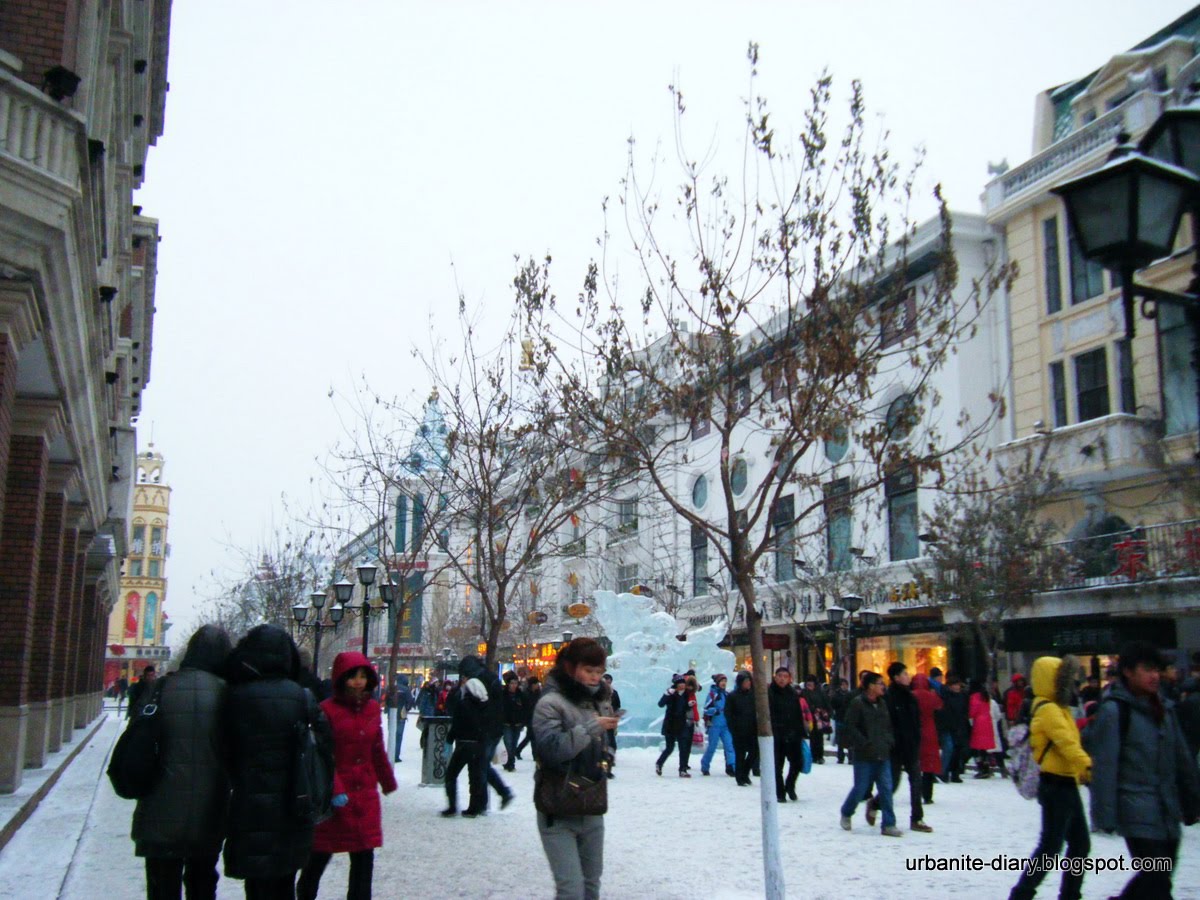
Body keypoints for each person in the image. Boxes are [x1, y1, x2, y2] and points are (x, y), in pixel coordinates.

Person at [223, 624, 333, 900]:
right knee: (285, 881)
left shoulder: (236, 696)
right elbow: (326, 743)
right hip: (293, 802)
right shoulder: (301, 696)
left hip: (249, 804)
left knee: (256, 883)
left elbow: (223, 748)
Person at [1087, 641, 1200, 900]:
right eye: (1147, 669)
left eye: (1157, 670)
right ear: (1128, 671)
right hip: (1135, 810)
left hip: (1166, 810)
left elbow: (1182, 759)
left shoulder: (1165, 709)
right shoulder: (1115, 710)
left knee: (1156, 878)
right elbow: (1105, 767)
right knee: (1157, 879)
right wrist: (1104, 816)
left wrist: (1192, 800)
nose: (1155, 676)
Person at [132, 625, 232, 900]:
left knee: (162, 885)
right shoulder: (227, 693)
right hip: (209, 813)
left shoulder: (162, 689)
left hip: (159, 810)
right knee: (202, 883)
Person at [296, 652, 397, 900]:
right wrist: (335, 788)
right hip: (334, 797)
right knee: (319, 856)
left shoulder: (372, 708)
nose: (359, 682)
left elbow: (376, 748)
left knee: (364, 858)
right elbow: (323, 755)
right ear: (341, 679)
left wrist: (387, 779)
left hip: (365, 796)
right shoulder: (327, 710)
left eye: (363, 677)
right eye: (353, 677)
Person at [531, 637, 618, 900]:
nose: (595, 678)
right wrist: (592, 728)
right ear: (571, 668)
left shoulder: (601, 701)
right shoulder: (550, 703)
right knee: (571, 890)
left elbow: (605, 747)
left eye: (599, 672)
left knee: (591, 885)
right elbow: (551, 751)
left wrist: (608, 751)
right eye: (588, 671)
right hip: (558, 806)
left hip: (591, 803)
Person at [1007, 654, 1092, 900]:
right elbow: (1066, 743)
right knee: (1051, 847)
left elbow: (1069, 743)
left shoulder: (1058, 708)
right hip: (1056, 785)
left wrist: (1079, 770)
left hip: (1065, 782)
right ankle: (1022, 894)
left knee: (1077, 845)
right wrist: (1087, 765)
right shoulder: (1049, 710)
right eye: (1062, 679)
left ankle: (1068, 894)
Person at [867, 662, 930, 832]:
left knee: (916, 782)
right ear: (896, 677)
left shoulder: (911, 697)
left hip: (911, 747)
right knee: (892, 784)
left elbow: (916, 721)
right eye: (904, 674)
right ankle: (875, 803)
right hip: (894, 749)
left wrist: (917, 740)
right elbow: (885, 723)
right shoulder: (888, 699)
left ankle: (917, 819)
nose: (908, 677)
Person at [839, 672, 901, 837]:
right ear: (870, 686)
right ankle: (847, 811)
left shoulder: (882, 704)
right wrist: (864, 743)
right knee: (861, 788)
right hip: (864, 755)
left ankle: (889, 823)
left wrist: (889, 741)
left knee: (886, 789)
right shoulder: (858, 704)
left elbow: (888, 726)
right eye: (880, 683)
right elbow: (850, 726)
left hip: (883, 753)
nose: (883, 686)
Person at [442, 656, 492, 817]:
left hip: (464, 744)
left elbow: (457, 724)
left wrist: (449, 740)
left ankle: (452, 806)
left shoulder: (463, 704)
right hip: (479, 744)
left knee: (451, 775)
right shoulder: (484, 706)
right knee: (475, 777)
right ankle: (474, 807)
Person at [767, 668, 807, 803]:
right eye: (779, 676)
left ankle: (790, 785)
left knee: (797, 763)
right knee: (777, 766)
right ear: (775, 677)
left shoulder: (792, 693)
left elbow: (798, 714)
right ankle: (780, 792)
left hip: (793, 734)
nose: (782, 679)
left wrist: (801, 732)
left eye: (785, 676)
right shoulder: (769, 693)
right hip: (777, 735)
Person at [910, 673, 943, 807]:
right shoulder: (931, 696)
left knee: (915, 764)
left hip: (914, 730)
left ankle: (916, 792)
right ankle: (928, 795)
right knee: (929, 764)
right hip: (930, 730)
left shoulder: (911, 695)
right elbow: (939, 705)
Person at [655, 675, 696, 776]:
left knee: (683, 747)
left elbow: (684, 708)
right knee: (670, 747)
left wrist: (689, 705)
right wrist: (667, 694)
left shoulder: (686, 694)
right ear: (676, 685)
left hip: (682, 724)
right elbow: (660, 704)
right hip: (670, 724)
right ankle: (659, 763)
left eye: (683, 683)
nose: (682, 685)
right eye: (680, 683)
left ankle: (682, 769)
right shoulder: (671, 693)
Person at [725, 671, 758, 785]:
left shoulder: (753, 695)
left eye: (749, 681)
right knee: (740, 754)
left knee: (754, 753)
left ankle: (745, 772)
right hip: (738, 730)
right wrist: (733, 728)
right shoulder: (732, 696)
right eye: (745, 681)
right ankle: (740, 777)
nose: (748, 683)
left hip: (752, 729)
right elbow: (728, 714)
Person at [700, 674, 735, 777]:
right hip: (714, 725)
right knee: (712, 746)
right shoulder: (712, 694)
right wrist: (714, 711)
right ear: (717, 682)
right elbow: (706, 709)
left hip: (725, 725)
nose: (724, 683)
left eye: (725, 681)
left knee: (729, 746)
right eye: (722, 681)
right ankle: (705, 766)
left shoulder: (727, 695)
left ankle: (732, 767)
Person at [937, 675, 970, 782]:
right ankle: (943, 771)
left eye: (958, 685)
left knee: (958, 750)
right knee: (950, 748)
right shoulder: (945, 696)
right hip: (948, 726)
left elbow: (964, 710)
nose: (957, 687)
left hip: (959, 726)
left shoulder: (962, 696)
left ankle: (955, 773)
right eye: (954, 685)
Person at [968, 678, 996, 778]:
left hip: (979, 723)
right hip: (988, 722)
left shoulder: (974, 697)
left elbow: (972, 711)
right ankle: (986, 767)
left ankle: (981, 768)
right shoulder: (986, 696)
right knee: (984, 749)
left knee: (977, 748)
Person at [800, 675, 831, 764]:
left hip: (820, 718)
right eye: (808, 681)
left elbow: (826, 703)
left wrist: (826, 712)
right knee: (813, 736)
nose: (809, 683)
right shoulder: (804, 692)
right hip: (809, 717)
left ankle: (820, 755)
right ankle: (814, 755)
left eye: (811, 681)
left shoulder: (820, 692)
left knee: (819, 737)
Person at [502, 672, 528, 772]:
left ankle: (510, 762)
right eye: (512, 683)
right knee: (508, 743)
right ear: (508, 684)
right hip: (506, 723)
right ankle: (510, 762)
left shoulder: (521, 695)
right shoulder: (503, 695)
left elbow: (526, 708)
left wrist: (523, 720)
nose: (514, 685)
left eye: (515, 683)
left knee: (513, 744)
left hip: (517, 723)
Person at [829, 678, 852, 764]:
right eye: (843, 685)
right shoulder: (837, 695)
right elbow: (833, 704)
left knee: (850, 740)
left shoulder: (850, 695)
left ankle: (850, 758)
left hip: (848, 719)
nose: (844, 687)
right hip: (839, 718)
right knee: (840, 740)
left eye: (846, 685)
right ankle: (840, 757)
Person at [601, 673, 621, 770]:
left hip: (609, 721)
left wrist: (616, 716)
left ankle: (609, 760)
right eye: (606, 682)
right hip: (600, 722)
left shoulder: (614, 693)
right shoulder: (597, 693)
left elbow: (617, 706)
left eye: (609, 682)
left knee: (611, 743)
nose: (608, 684)